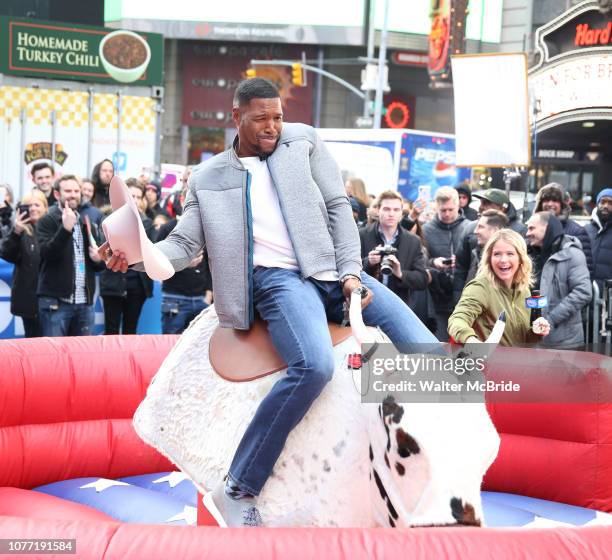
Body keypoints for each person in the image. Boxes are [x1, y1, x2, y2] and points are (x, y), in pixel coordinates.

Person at [102, 78, 439, 527]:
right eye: (262, 118)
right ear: (236, 116)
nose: (273, 127)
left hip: (332, 271)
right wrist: (141, 255)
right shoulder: (207, 178)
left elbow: (339, 206)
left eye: (278, 116)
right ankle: (239, 485)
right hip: (276, 282)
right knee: (314, 365)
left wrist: (351, 273)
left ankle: (426, 466)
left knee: (433, 358)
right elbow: (184, 243)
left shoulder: (304, 140)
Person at [448, 229, 550, 346]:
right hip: (488, 362)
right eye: (497, 254)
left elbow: (522, 340)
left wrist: (537, 331)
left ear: (520, 258)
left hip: (517, 362)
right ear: (489, 259)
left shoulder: (524, 289)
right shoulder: (480, 287)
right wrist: (472, 341)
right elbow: (457, 320)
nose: (503, 260)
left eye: (510, 254)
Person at [36, 175, 104, 336]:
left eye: (76, 190)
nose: (73, 194)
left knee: (81, 357)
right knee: (54, 356)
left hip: (84, 303)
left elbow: (100, 265)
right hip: (56, 303)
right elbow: (47, 254)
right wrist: (65, 230)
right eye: (68, 191)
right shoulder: (47, 220)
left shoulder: (86, 222)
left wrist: (98, 260)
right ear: (57, 194)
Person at [525, 211, 592, 349]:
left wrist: (550, 319)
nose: (527, 233)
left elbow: (583, 292)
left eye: (532, 228)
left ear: (548, 228)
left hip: (563, 343)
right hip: (532, 341)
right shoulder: (528, 255)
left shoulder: (572, 254)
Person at [100, 180, 154, 335]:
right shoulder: (107, 220)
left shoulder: (147, 223)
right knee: (111, 331)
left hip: (137, 285)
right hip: (112, 283)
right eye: (132, 196)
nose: (135, 200)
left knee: (130, 330)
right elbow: (103, 248)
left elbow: (151, 251)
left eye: (138, 196)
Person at [360, 190, 428, 308]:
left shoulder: (413, 241)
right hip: (367, 304)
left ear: (401, 213)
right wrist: (368, 262)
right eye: (386, 209)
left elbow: (422, 279)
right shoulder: (362, 235)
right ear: (378, 210)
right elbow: (348, 269)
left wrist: (401, 274)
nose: (391, 214)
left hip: (399, 305)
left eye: (396, 210)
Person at [422, 186, 471, 341]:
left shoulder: (469, 228)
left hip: (464, 295)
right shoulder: (426, 230)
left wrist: (462, 262)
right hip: (437, 295)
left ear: (458, 205)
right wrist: (433, 262)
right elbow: (419, 261)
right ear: (437, 207)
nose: (447, 214)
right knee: (440, 343)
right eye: (443, 210)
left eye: (451, 209)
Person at [0, 190, 48, 337]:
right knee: (33, 340)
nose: (33, 208)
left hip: (51, 297)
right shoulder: (19, 231)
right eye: (28, 205)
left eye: (37, 204)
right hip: (28, 298)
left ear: (45, 208)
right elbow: (7, 254)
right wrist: (16, 232)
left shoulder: (53, 228)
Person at [534, 183, 593, 275]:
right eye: (546, 200)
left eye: (555, 200)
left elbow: (585, 270)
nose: (550, 204)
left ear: (562, 204)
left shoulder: (577, 232)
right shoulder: (532, 229)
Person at [466, 210, 509, 283]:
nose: (475, 231)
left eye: (480, 227)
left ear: (495, 230)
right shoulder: (477, 253)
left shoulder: (504, 260)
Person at [584, 188, 612, 294]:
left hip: (608, 299)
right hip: (586, 296)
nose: (606, 206)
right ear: (597, 204)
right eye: (603, 201)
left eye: (610, 203)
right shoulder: (585, 230)